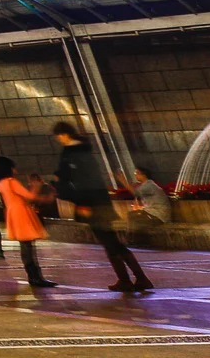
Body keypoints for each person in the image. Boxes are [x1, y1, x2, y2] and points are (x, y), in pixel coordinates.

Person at [53, 122, 151, 293]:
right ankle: (132, 279)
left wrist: (83, 203)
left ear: (64, 134)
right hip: (97, 203)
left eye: (59, 135)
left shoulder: (75, 153)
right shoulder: (79, 151)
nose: (58, 139)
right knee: (111, 243)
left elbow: (85, 180)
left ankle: (133, 279)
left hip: (94, 205)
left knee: (111, 244)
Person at [0, 156, 57, 291]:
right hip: (21, 213)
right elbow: (30, 197)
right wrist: (36, 186)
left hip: (13, 213)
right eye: (13, 167)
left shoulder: (1, 183)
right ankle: (36, 277)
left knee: (25, 246)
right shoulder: (11, 181)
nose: (15, 170)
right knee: (28, 247)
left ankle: (33, 276)